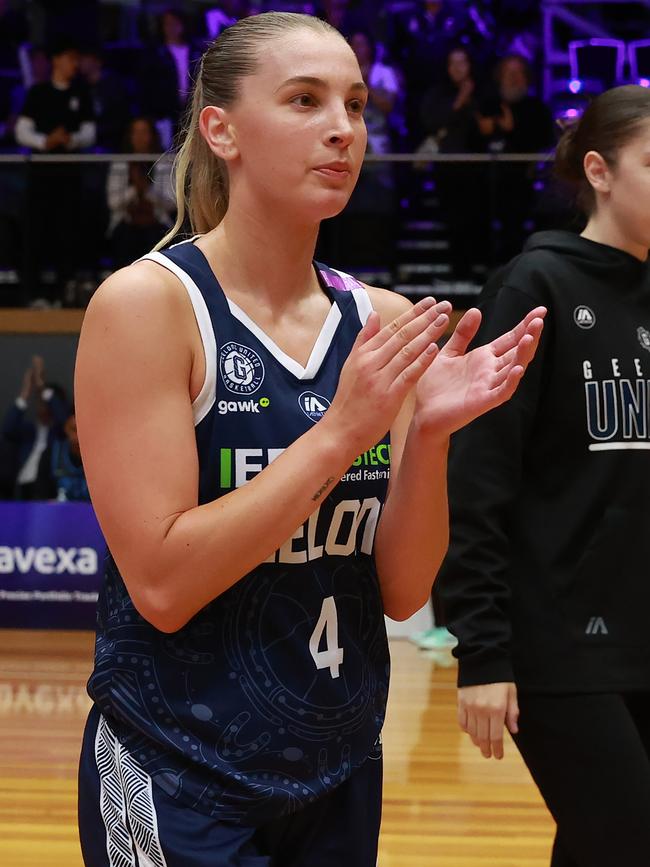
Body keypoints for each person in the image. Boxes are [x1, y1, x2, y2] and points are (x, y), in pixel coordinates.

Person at [74, 13, 544, 866]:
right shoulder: (147, 307)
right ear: (221, 129)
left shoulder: (383, 322)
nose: (343, 127)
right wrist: (341, 433)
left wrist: (431, 436)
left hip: (337, 772)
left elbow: (402, 592)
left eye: (357, 105)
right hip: (176, 772)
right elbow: (164, 584)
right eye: (304, 100)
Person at [436, 84, 650, 867]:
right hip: (560, 641)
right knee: (627, 835)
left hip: (644, 627)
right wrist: (482, 652)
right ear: (599, 170)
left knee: (609, 841)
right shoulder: (535, 285)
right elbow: (478, 477)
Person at [14, 39, 96, 304]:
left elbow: (89, 131)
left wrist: (70, 140)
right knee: (36, 233)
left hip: (69, 176)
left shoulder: (81, 92)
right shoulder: (38, 92)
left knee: (67, 234)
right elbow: (22, 130)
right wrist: (45, 141)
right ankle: (33, 295)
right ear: (56, 60)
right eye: (70, 58)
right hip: (41, 176)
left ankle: (65, 294)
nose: (75, 64)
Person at [419, 45, 488, 288]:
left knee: (477, 218)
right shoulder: (439, 93)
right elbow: (431, 121)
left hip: (478, 167)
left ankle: (478, 268)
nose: (458, 68)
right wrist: (460, 100)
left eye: (463, 63)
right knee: (453, 219)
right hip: (448, 166)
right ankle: (457, 269)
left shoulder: (483, 93)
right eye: (453, 63)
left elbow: (490, 129)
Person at [477, 53, 555, 264]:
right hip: (486, 184)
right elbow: (472, 141)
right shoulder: (487, 105)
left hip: (524, 184)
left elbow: (544, 142)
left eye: (518, 73)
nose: (513, 78)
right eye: (508, 73)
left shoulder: (537, 108)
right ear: (499, 77)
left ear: (527, 78)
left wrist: (512, 130)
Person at [106, 116, 176, 269]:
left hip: (157, 222)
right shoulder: (119, 164)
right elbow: (113, 203)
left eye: (144, 132)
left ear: (152, 136)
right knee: (124, 239)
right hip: (126, 222)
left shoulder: (165, 163)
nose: (140, 137)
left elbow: (172, 204)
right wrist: (134, 190)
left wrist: (147, 191)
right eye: (135, 133)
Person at [1, 356, 69, 500]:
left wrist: (41, 384)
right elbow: (8, 430)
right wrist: (26, 392)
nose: (41, 404)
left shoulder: (59, 433)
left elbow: (64, 420)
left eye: (44, 400)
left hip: (48, 491)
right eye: (38, 400)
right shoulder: (29, 431)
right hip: (22, 490)